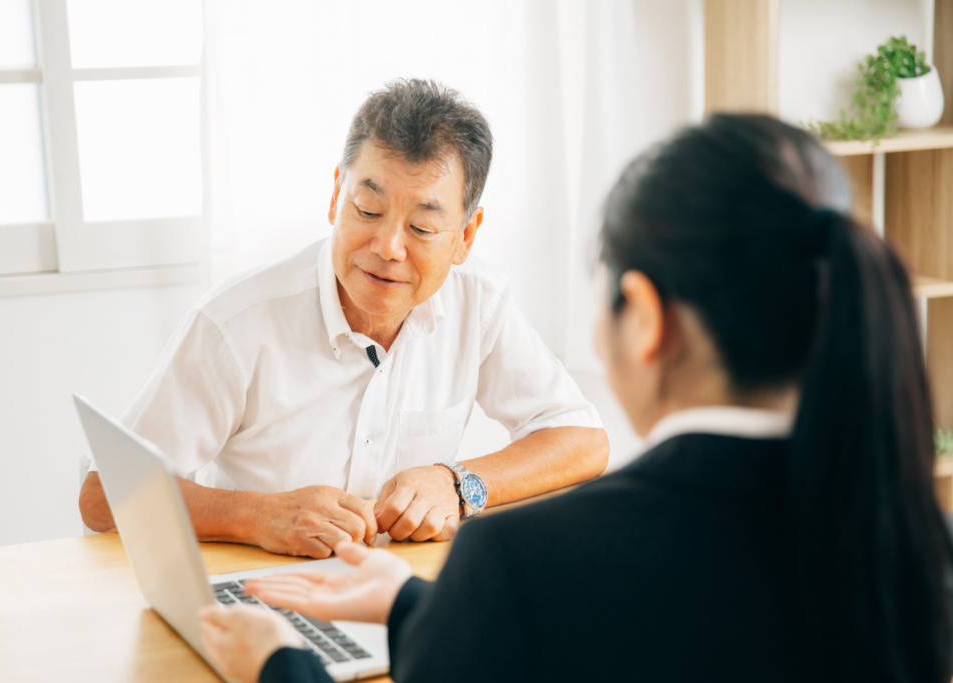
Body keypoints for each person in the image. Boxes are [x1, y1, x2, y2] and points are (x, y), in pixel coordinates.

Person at [196, 113, 953, 682]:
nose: (390, 246)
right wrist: (409, 604)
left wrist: (278, 665)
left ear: (646, 318)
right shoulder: (917, 543)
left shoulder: (520, 561)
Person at [79, 79, 610, 558]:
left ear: (465, 237)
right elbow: (103, 495)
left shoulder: (479, 302)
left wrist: (458, 482)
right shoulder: (237, 322)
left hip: (401, 595)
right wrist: (255, 516)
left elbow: (582, 439)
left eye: (423, 229)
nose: (388, 248)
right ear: (337, 195)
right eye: (368, 210)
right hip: (261, 593)